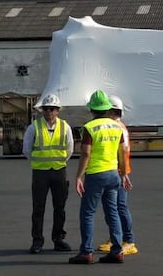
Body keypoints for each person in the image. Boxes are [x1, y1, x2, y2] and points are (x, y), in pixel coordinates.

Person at [69, 90, 128, 264]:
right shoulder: (117, 126)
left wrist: (79, 176)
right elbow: (123, 151)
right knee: (113, 212)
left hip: (95, 174)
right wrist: (124, 174)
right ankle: (117, 251)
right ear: (107, 109)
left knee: (87, 213)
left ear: (92, 110)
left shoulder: (90, 128)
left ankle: (86, 251)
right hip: (113, 174)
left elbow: (86, 153)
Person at [22, 94, 75, 254]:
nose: (49, 112)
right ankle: (37, 241)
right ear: (42, 110)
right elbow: (27, 149)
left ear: (58, 111)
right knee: (38, 208)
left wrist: (57, 161)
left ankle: (58, 239)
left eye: (52, 109)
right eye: (46, 109)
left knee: (60, 208)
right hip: (40, 173)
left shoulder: (65, 127)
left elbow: (69, 149)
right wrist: (41, 161)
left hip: (59, 171)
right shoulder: (34, 127)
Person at [97, 95, 138, 255]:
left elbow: (123, 152)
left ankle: (128, 240)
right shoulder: (114, 126)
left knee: (120, 206)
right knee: (111, 207)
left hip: (118, 172)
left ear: (111, 110)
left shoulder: (118, 128)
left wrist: (124, 173)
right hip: (114, 171)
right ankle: (116, 238)